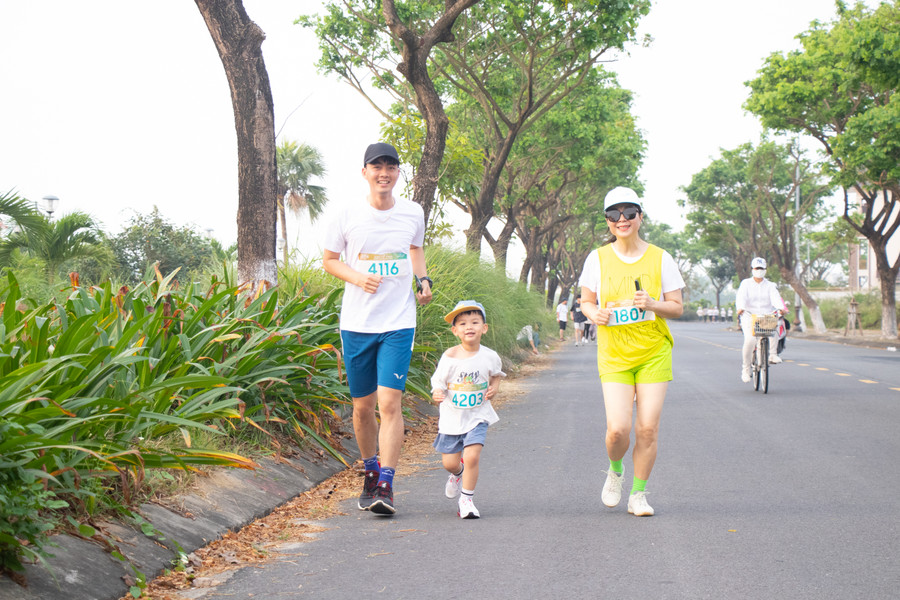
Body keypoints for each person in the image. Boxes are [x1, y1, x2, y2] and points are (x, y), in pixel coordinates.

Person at [322, 142, 433, 516]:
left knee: (389, 403)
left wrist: (423, 280)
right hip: (357, 324)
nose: (384, 173)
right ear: (365, 172)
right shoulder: (348, 215)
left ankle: (386, 481)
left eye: (390, 166)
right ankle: (369, 471)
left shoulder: (412, 212)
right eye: (377, 166)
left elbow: (415, 248)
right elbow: (329, 261)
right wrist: (358, 277)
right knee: (362, 407)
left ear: (398, 173)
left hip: (398, 322)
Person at [579, 186, 684, 517]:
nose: (621, 220)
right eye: (614, 214)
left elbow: (677, 307)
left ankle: (638, 494)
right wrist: (592, 313)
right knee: (618, 430)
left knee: (647, 428)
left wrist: (653, 304)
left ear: (640, 217)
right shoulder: (597, 258)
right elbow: (586, 301)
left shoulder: (661, 257)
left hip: (653, 351)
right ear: (608, 222)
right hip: (614, 355)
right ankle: (615, 469)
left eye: (628, 213)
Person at [431, 301, 505, 519]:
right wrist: (437, 392)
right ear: (455, 331)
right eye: (462, 323)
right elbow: (438, 381)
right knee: (450, 463)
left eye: (474, 322)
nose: (469, 327)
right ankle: (457, 474)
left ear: (484, 327)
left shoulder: (490, 356)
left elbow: (496, 375)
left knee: (472, 456)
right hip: (452, 418)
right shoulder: (450, 357)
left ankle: (467, 500)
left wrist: (494, 389)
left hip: (477, 416)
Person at [735, 257, 785, 383]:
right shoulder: (745, 283)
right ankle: (746, 368)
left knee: (775, 326)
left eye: (761, 268)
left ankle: (772, 354)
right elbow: (741, 297)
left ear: (765, 270)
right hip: (748, 316)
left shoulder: (770, 286)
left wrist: (780, 308)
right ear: (752, 269)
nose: (759, 270)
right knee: (750, 340)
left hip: (765, 316)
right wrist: (740, 308)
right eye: (757, 268)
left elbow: (776, 298)